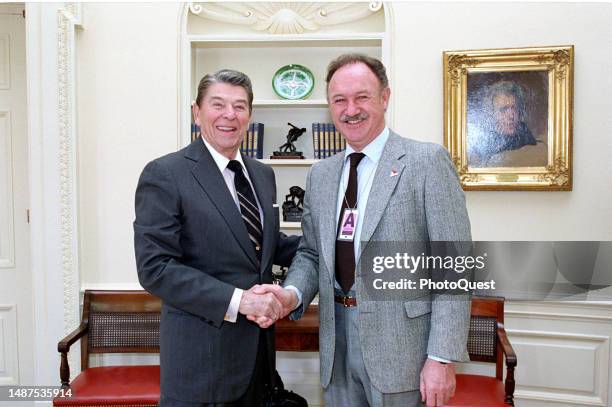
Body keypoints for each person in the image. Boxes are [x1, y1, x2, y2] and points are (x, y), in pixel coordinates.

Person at [252, 54, 472, 407]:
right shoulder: (321, 175)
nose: (350, 109)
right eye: (339, 100)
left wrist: (441, 358)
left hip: (404, 353)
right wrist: (292, 294)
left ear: (385, 98)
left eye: (362, 97)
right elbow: (311, 253)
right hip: (336, 343)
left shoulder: (426, 162)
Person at [133, 69, 300, 406]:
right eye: (218, 104)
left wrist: (336, 242)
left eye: (240, 106)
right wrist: (241, 301)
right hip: (201, 367)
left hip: (259, 363)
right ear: (197, 112)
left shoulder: (262, 174)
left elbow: (265, 247)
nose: (229, 115)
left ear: (250, 116)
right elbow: (156, 268)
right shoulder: (166, 174)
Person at [468, 80, 547, 167]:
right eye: (503, 109)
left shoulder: (524, 132)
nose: (511, 116)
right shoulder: (482, 141)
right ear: (491, 113)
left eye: (515, 108)